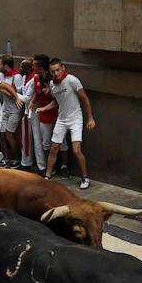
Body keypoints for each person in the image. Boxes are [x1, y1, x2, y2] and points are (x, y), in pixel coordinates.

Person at [44, 59, 96, 189]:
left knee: (76, 150)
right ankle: (47, 177)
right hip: (61, 119)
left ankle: (85, 177)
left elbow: (84, 99)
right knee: (54, 148)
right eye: (53, 71)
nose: (56, 73)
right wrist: (43, 108)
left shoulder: (72, 80)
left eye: (57, 70)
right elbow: (57, 101)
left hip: (75, 119)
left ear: (63, 68)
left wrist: (90, 118)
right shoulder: (52, 84)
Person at [26, 53, 56, 174]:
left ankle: (57, 166)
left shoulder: (51, 79)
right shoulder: (37, 78)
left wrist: (48, 93)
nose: (33, 68)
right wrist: (32, 102)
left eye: (34, 65)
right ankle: (47, 167)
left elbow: (55, 97)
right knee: (45, 142)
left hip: (53, 112)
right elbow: (37, 93)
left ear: (41, 67)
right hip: (42, 113)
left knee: (58, 143)